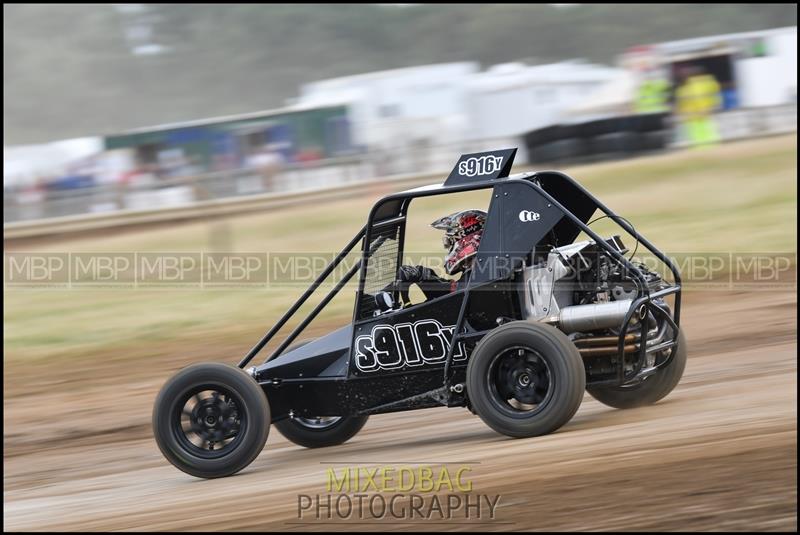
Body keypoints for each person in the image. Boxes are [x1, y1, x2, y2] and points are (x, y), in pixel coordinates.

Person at [392, 209, 486, 306]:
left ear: (465, 239)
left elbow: (454, 298)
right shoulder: (483, 271)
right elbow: (454, 290)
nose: (449, 248)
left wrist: (424, 278)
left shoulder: (480, 275)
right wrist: (424, 277)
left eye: (450, 242)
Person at [674, 66, 722, 147]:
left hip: (695, 116)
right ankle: (710, 148)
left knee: (701, 136)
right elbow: (714, 91)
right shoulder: (706, 82)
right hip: (699, 115)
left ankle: (706, 149)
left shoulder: (684, 89)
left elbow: (681, 104)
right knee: (706, 135)